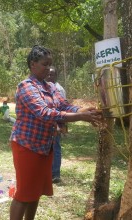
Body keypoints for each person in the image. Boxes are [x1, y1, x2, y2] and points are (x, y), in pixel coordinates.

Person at [9, 45, 102, 220]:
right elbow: (44, 113)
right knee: (24, 193)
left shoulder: (50, 86)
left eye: (50, 64)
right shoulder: (26, 87)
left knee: (35, 191)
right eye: (45, 64)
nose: (49, 68)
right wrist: (79, 116)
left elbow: (64, 105)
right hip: (27, 146)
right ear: (32, 64)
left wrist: (82, 110)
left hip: (44, 146)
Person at [45, 66, 67, 184]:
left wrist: (61, 126)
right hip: (48, 125)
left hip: (56, 125)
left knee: (56, 148)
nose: (49, 76)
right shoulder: (44, 87)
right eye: (48, 74)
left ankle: (55, 174)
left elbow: (63, 109)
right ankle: (49, 173)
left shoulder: (59, 89)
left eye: (52, 74)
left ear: (56, 76)